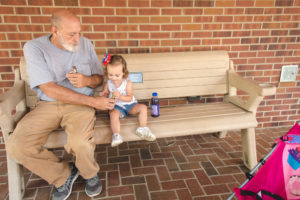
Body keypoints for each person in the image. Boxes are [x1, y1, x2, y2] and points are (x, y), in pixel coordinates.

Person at [6, 9, 115, 200]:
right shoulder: (34, 48)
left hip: (79, 107)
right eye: (71, 34)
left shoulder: (86, 44)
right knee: (17, 145)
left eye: (79, 33)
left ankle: (90, 175)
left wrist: (86, 81)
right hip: (48, 105)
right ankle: (63, 175)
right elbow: (48, 89)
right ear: (55, 31)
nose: (77, 39)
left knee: (80, 143)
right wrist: (93, 101)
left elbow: (99, 79)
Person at [99, 54, 156, 147]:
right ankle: (116, 135)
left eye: (117, 75)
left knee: (143, 107)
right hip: (117, 107)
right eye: (110, 75)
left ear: (123, 73)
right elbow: (104, 92)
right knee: (112, 114)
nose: (113, 78)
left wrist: (120, 96)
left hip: (130, 105)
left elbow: (129, 97)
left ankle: (143, 128)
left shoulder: (127, 83)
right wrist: (103, 94)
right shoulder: (108, 83)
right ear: (107, 73)